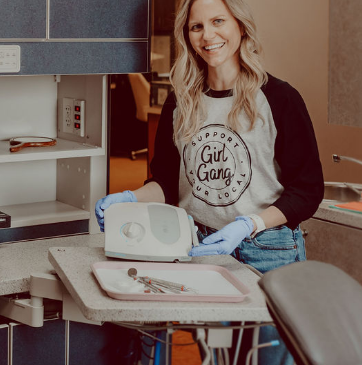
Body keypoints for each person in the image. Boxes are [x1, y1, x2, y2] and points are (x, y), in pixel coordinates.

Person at [95, 0, 323, 363]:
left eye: (218, 21)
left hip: (268, 253)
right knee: (217, 357)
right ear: (186, 35)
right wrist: (129, 197)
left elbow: (308, 191)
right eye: (196, 26)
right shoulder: (180, 102)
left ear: (240, 27)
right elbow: (169, 183)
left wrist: (250, 223)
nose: (208, 35)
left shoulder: (279, 99)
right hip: (201, 249)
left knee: (267, 358)